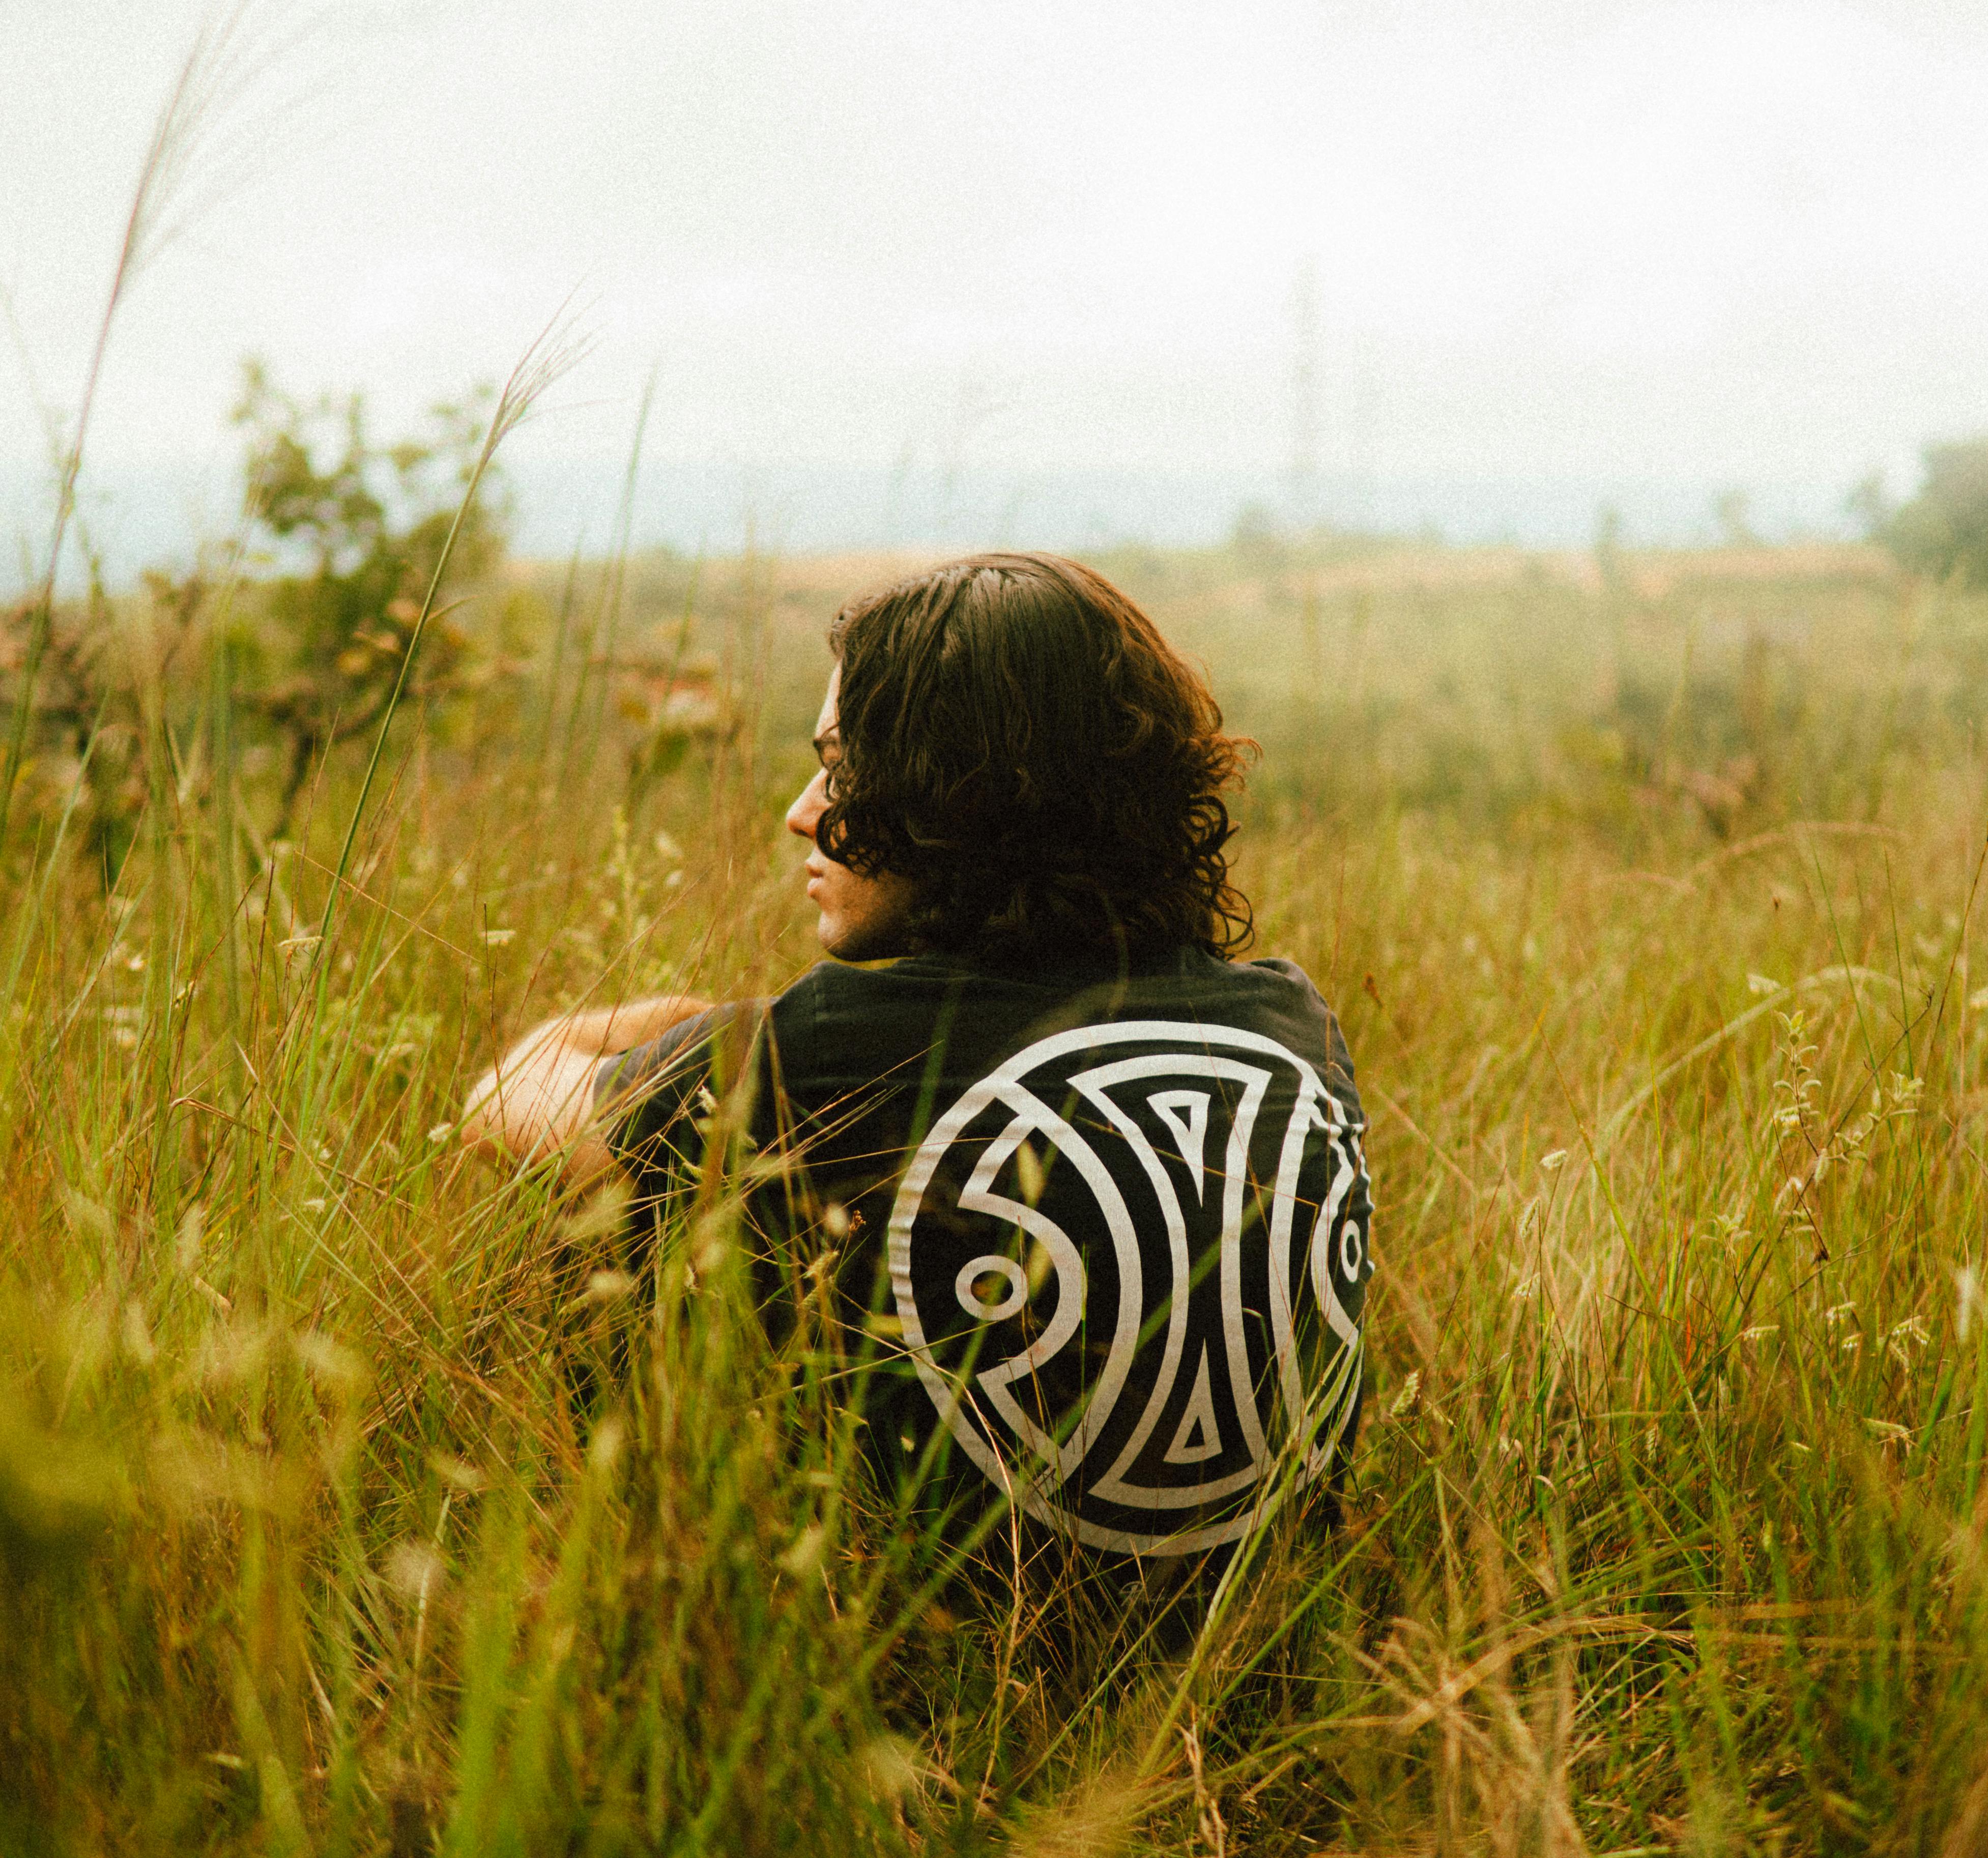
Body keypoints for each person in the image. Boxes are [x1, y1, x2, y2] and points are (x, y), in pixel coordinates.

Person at [462, 553, 1371, 1591]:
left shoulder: (837, 1048)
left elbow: (502, 1109)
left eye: (842, 770)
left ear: (958, 792)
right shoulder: (1286, 1021)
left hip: (942, 1648)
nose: (802, 813)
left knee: (632, 1207)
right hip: (1255, 1629)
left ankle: (651, 1591)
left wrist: (671, 1028)